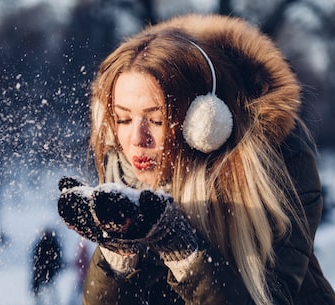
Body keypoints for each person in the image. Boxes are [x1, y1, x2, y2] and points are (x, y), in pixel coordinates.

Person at [57, 14, 335, 305]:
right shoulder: (124, 177)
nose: (137, 139)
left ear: (203, 123)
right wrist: (119, 254)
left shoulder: (278, 169)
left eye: (156, 119)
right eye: (123, 119)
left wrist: (181, 249)